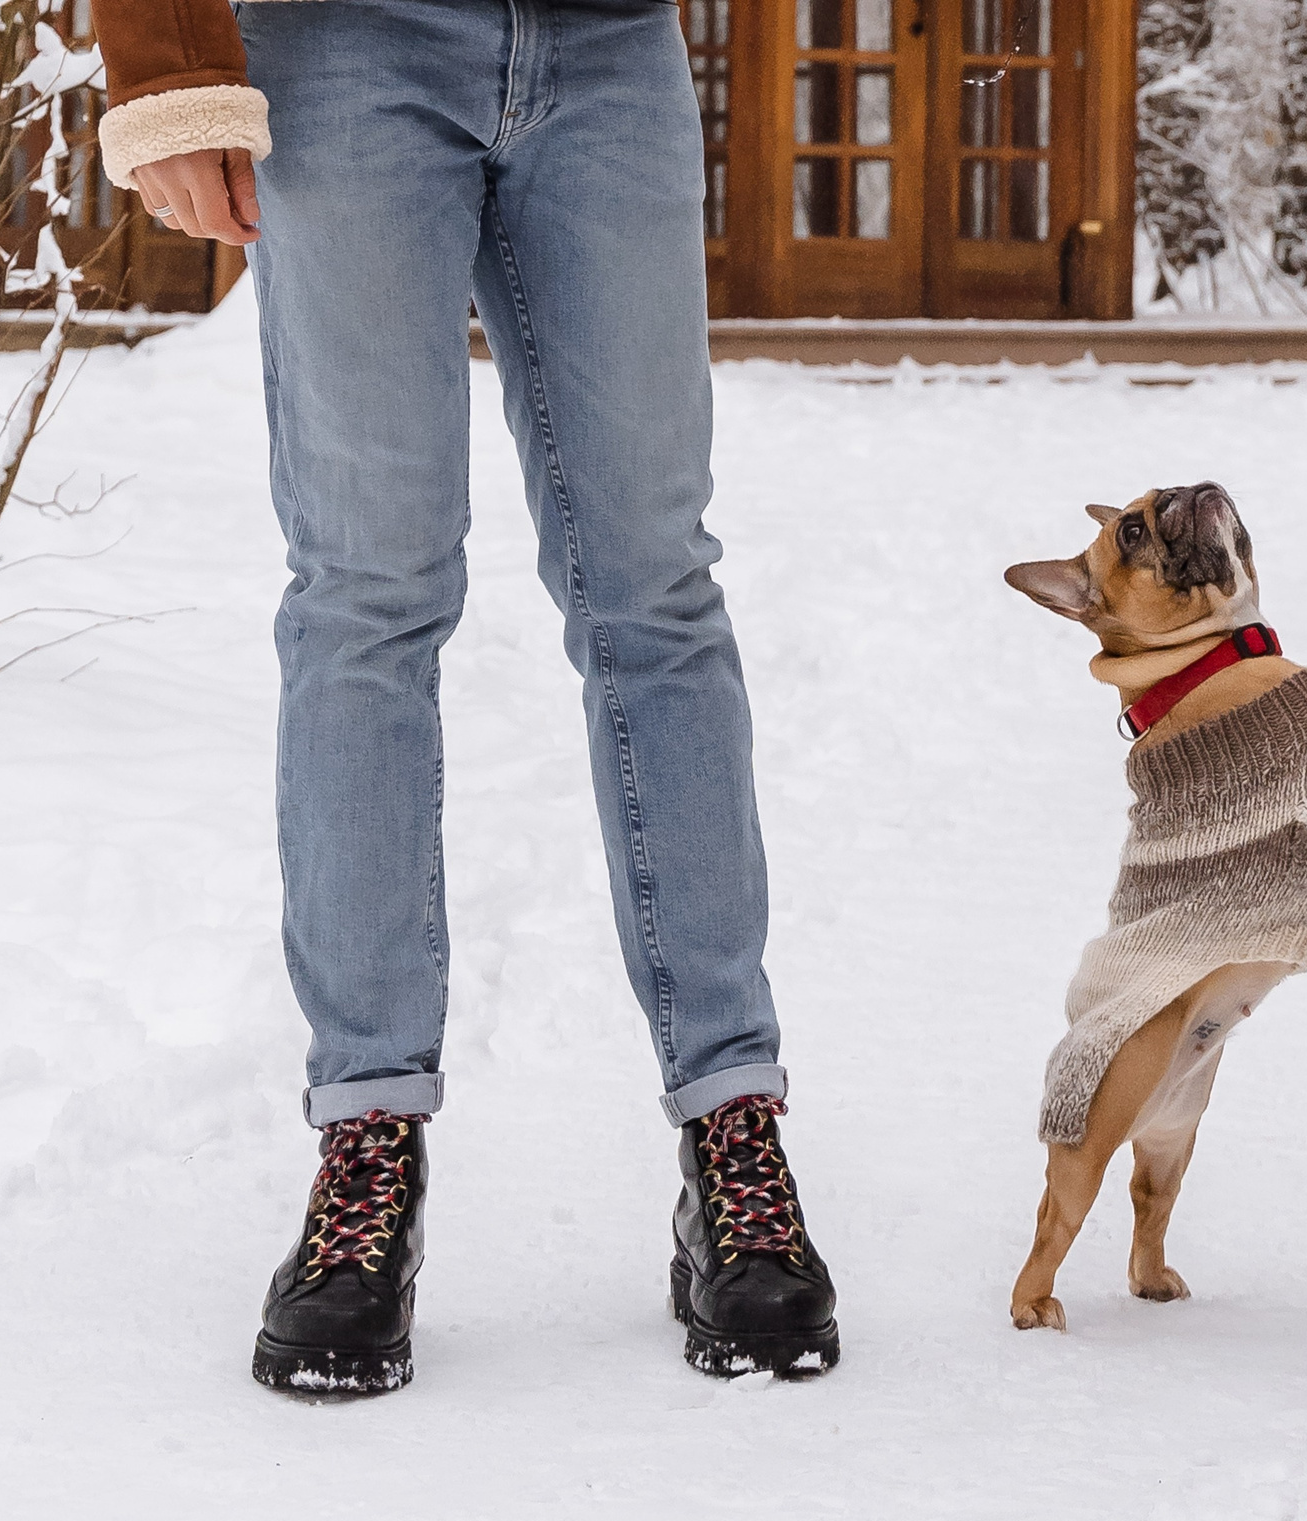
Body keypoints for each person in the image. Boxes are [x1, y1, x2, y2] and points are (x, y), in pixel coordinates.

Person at [95, 0, 838, 1394]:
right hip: (343, 45)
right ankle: (366, 1142)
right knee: (365, 596)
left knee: (657, 592)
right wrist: (167, 59)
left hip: (610, 44)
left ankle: (734, 1120)